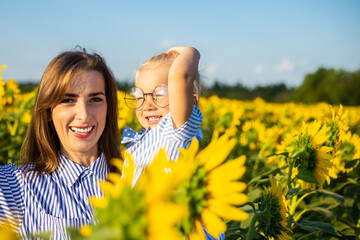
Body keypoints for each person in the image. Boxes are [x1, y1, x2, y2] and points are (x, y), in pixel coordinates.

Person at [0, 48, 120, 239]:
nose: (84, 115)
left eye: (95, 99)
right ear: (48, 111)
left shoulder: (137, 176)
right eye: (67, 100)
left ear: (109, 107)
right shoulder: (12, 186)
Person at [122, 46, 224, 240]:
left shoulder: (175, 131)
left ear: (191, 103)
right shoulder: (139, 142)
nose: (148, 103)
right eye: (140, 96)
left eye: (159, 93)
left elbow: (180, 76)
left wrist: (190, 52)